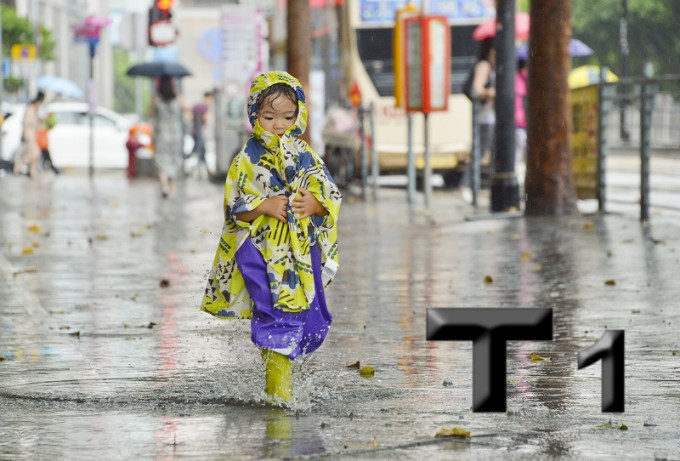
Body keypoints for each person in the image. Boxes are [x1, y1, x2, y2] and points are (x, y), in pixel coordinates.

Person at [200, 71, 342, 403]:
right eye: (268, 117)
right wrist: (263, 205)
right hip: (259, 250)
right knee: (275, 315)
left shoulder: (306, 155)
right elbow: (234, 207)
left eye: (287, 117)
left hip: (300, 252)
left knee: (307, 316)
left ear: (299, 115)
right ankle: (279, 396)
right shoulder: (246, 158)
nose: (278, 124)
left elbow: (330, 194)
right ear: (254, 115)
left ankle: (280, 385)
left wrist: (316, 204)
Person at [150, 76, 188, 198]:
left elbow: (150, 113)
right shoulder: (176, 97)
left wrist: (154, 96)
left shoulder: (156, 99)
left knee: (162, 161)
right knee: (174, 160)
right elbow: (187, 108)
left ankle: (164, 186)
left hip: (162, 134)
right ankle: (171, 187)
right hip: (175, 134)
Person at [13, 91, 45, 178]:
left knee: (34, 153)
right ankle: (18, 167)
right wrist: (25, 135)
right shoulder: (30, 109)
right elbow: (26, 123)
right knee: (34, 153)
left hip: (33, 135)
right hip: (29, 135)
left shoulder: (35, 110)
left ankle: (31, 171)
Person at [190, 91, 213, 178]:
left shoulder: (196, 106)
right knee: (199, 151)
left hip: (194, 132)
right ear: (208, 97)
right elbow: (205, 119)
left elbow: (190, 117)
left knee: (201, 151)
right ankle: (206, 171)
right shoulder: (205, 107)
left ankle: (207, 170)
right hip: (200, 132)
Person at [514, 58, 529, 181]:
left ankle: (518, 179)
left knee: (518, 154)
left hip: (518, 120)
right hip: (523, 120)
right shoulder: (527, 78)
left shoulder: (515, 78)